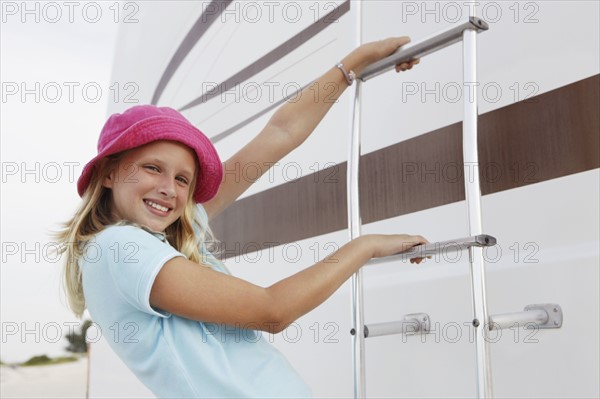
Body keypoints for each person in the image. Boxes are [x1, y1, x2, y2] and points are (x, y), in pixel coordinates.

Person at [58, 37, 426, 398]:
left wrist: (353, 64)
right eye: (153, 168)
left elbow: (280, 134)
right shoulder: (121, 246)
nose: (169, 189)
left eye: (182, 179)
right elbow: (272, 311)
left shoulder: (153, 238)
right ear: (108, 174)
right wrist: (365, 247)